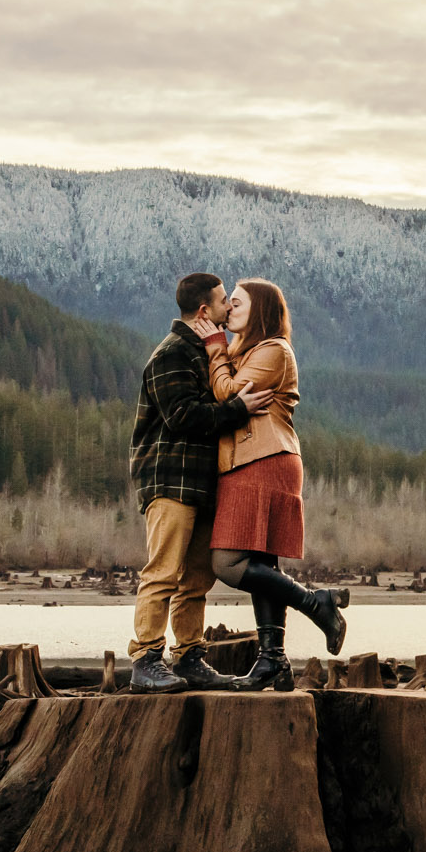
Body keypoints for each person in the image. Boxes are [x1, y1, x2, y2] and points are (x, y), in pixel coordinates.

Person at [192, 277, 347, 689]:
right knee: (262, 563)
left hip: (262, 459)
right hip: (256, 459)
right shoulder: (251, 352)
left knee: (227, 562)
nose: (229, 310)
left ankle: (317, 604)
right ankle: (273, 661)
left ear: (260, 310)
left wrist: (214, 350)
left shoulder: (273, 350)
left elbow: (227, 394)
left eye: (238, 304)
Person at [128, 272, 271, 693]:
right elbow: (182, 416)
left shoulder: (208, 352)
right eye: (225, 300)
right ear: (205, 309)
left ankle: (189, 655)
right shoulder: (170, 354)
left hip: (204, 484)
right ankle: (146, 658)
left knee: (196, 577)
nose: (231, 306)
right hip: (170, 480)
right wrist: (237, 408)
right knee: (163, 571)